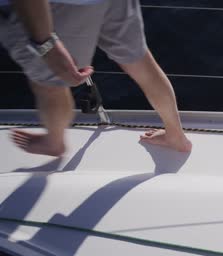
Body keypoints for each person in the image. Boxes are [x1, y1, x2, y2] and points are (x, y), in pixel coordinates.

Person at [0, 0, 192, 156]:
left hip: (60, 6)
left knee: (50, 84)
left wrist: (46, 44)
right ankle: (176, 136)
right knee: (141, 64)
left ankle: (54, 142)